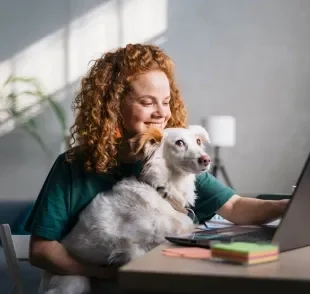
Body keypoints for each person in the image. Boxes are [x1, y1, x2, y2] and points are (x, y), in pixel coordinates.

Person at [25, 43, 288, 289]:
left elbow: (235, 207)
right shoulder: (73, 165)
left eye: (165, 101)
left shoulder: (174, 158)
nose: (162, 112)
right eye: (147, 102)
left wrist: (287, 206)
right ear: (114, 106)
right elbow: (41, 250)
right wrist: (104, 274)